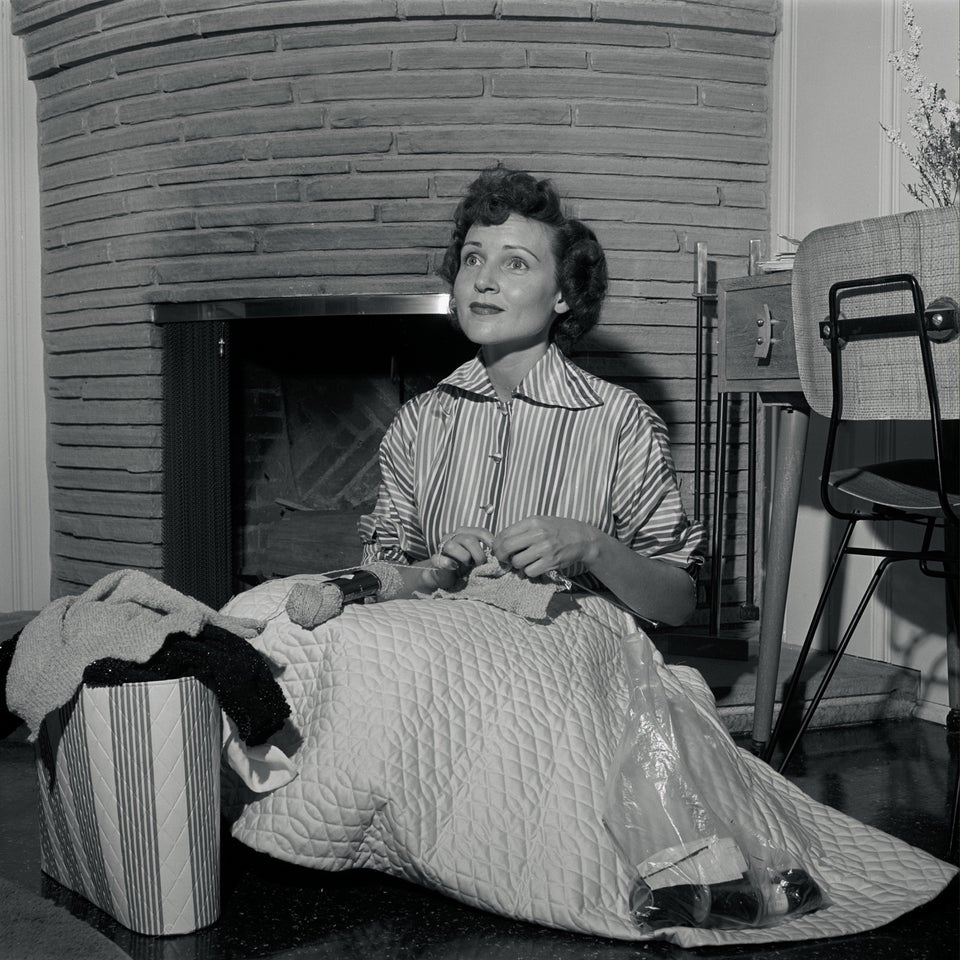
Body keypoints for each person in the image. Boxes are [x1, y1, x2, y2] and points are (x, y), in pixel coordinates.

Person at [358, 166, 704, 627]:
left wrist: (591, 545)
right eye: (472, 259)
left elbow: (678, 604)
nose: (483, 280)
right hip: (441, 644)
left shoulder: (621, 421)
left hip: (568, 657)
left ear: (563, 293)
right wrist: (435, 571)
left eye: (515, 263)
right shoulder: (417, 422)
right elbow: (377, 584)